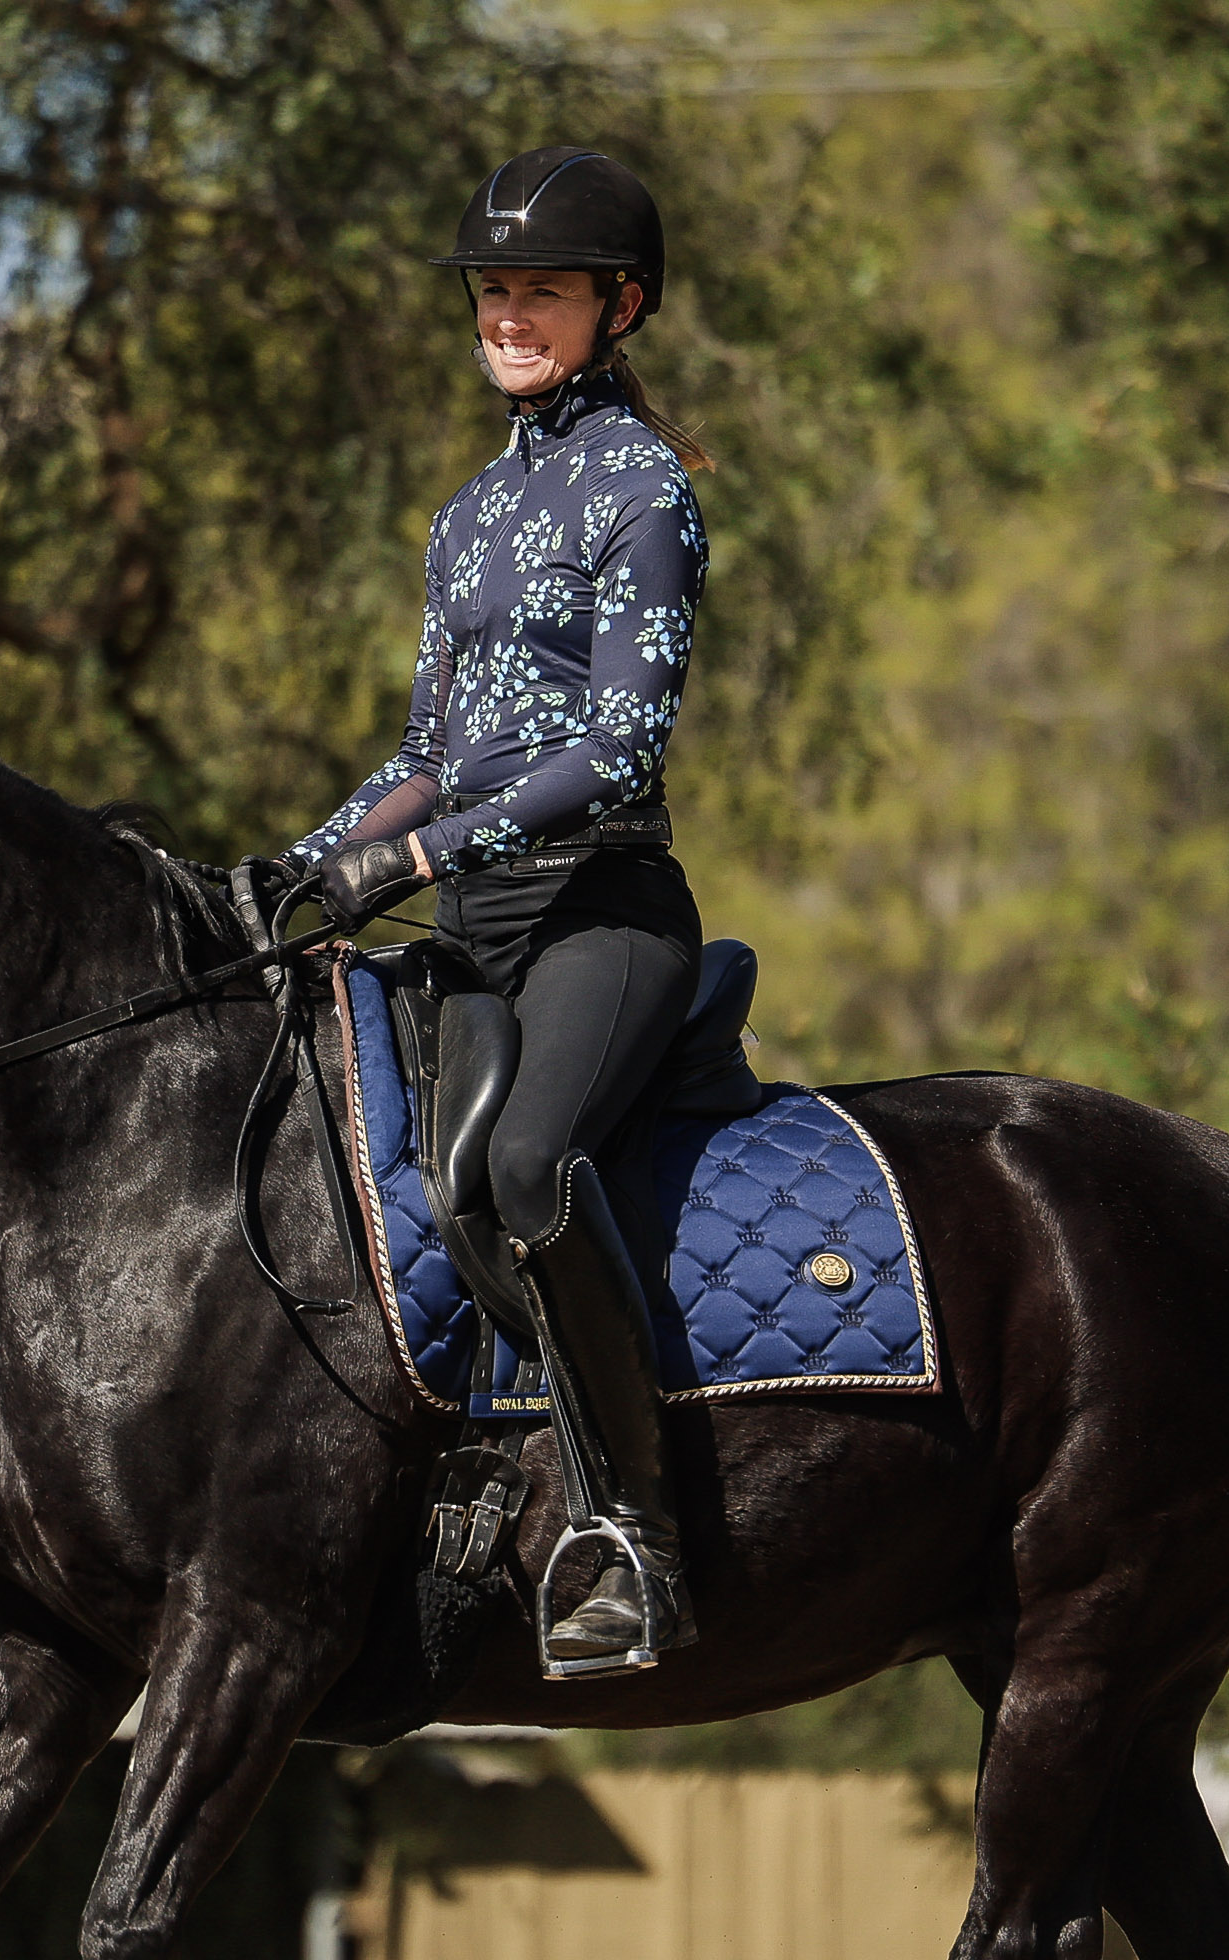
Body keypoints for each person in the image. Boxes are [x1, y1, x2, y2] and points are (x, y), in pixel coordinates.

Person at [294, 144, 715, 1674]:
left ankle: (640, 1542)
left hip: (599, 911)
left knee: (527, 1165)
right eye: (491, 288)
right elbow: (421, 757)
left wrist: (412, 862)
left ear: (621, 306)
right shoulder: (468, 514)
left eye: (539, 289)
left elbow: (617, 753)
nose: (506, 314)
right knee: (427, 1184)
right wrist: (298, 864)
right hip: (476, 924)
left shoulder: (644, 489)